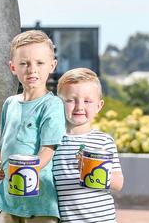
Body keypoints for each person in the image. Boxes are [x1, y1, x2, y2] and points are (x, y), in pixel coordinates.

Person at [0, 30, 65, 223]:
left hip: (40, 202)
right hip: (9, 201)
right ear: (13, 67)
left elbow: (48, 151)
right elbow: (2, 150)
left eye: (39, 63)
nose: (32, 69)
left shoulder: (52, 105)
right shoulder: (10, 104)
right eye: (24, 63)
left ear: (52, 66)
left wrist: (19, 171)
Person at [52, 68, 124, 222]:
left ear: (99, 106)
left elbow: (118, 182)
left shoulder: (104, 141)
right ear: (58, 104)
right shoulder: (52, 141)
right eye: (71, 100)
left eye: (87, 101)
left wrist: (91, 169)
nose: (79, 107)